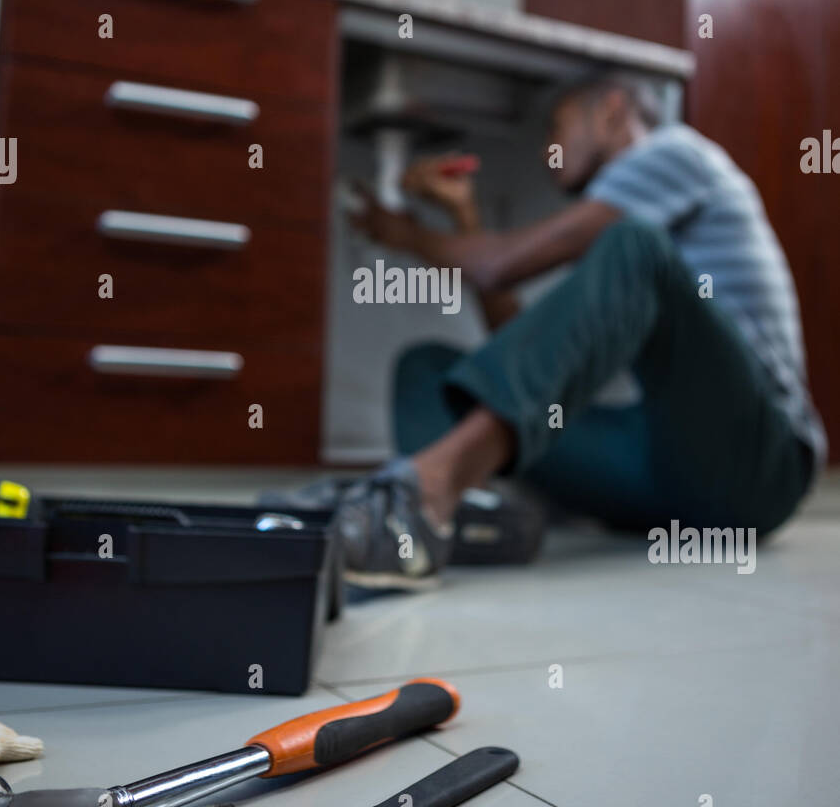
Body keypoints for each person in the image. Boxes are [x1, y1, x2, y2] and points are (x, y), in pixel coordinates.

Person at [337, 69, 826, 590]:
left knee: (633, 244)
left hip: (759, 468)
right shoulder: (619, 226)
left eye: (558, 125)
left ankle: (425, 496)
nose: (549, 147)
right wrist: (465, 215)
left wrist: (403, 235)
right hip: (664, 473)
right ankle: (486, 515)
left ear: (611, 109)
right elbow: (528, 363)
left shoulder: (674, 154)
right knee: (426, 371)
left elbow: (497, 267)